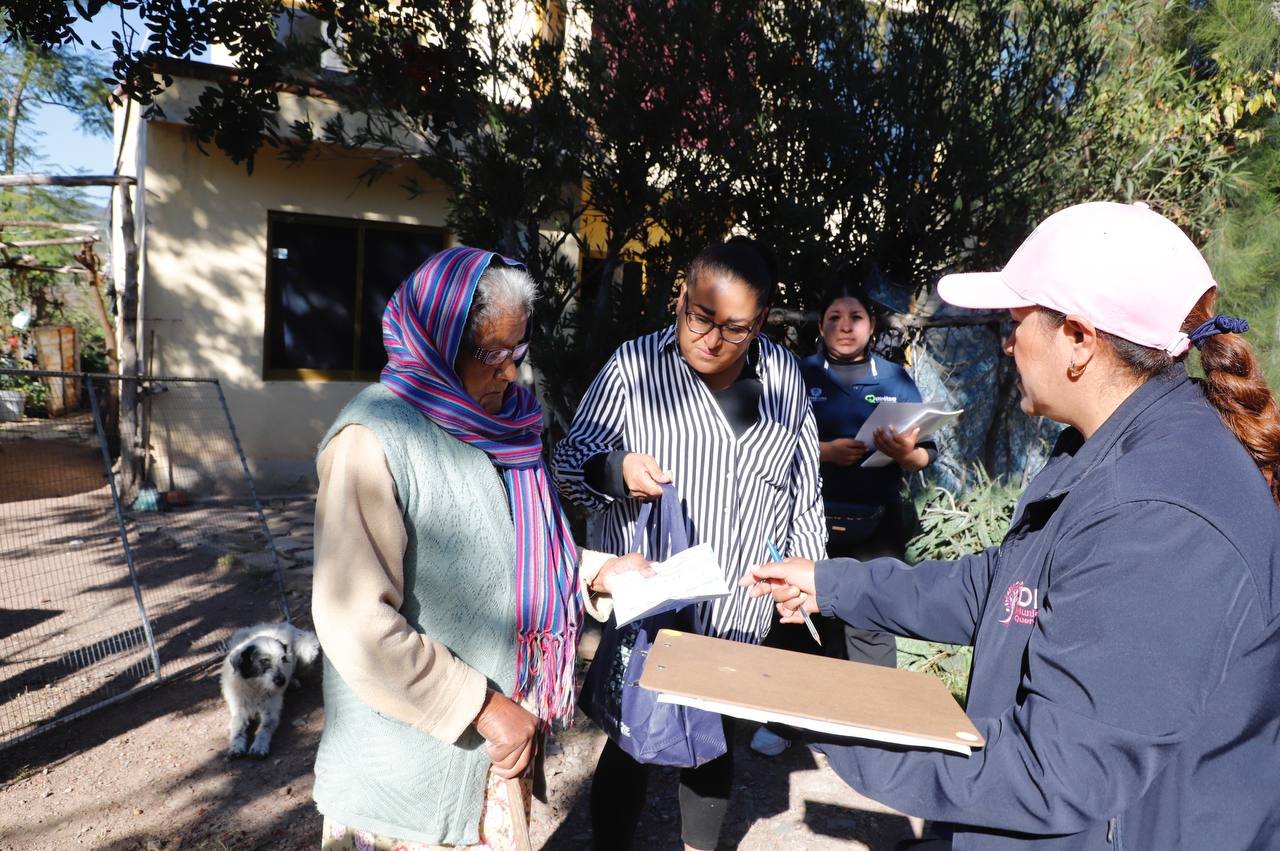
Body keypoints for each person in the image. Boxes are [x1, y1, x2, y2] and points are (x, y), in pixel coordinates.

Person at [746, 201, 1280, 849]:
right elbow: (1001, 588)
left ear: (1079, 339)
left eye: (1016, 320)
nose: (1005, 340)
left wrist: (839, 721)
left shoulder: (1161, 515)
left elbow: (1060, 770)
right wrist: (833, 584)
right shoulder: (1103, 447)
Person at [310, 246, 648, 850]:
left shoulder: (508, 426)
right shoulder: (372, 438)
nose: (510, 373)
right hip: (415, 759)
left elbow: (517, 551)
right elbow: (355, 621)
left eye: (518, 351)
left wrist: (596, 572)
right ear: (436, 344)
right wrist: (485, 708)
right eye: (491, 353)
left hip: (497, 742)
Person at [553, 236, 827, 851]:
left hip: (740, 610)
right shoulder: (633, 369)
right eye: (699, 318)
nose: (710, 339)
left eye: (733, 329)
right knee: (631, 745)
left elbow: (803, 489)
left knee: (713, 745)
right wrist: (617, 469)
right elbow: (566, 465)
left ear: (759, 324)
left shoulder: (783, 377)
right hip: (654, 609)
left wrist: (805, 580)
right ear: (680, 298)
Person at [750, 281, 938, 758]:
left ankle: (874, 722)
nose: (844, 326)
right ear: (820, 326)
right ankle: (783, 721)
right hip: (803, 521)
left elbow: (923, 459)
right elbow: (761, 442)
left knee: (871, 616)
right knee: (795, 615)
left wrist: (906, 452)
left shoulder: (894, 379)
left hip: (875, 522)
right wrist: (822, 451)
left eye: (855, 317)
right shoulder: (795, 373)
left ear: (872, 326)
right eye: (834, 317)